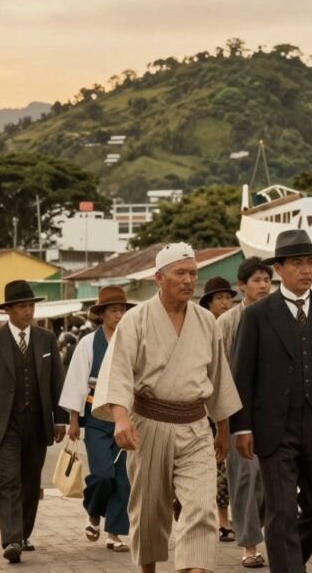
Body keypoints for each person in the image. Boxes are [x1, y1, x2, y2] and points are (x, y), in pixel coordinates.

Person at [92, 243, 242, 573]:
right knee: (148, 512)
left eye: (193, 274)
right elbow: (117, 371)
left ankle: (194, 569)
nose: (189, 280)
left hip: (196, 427)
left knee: (201, 509)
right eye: (181, 273)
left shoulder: (206, 322)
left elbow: (218, 378)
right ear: (159, 277)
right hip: (148, 425)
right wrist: (120, 418)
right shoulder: (136, 320)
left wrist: (224, 430)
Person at [231, 230, 312, 573]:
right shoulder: (257, 315)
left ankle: (288, 561)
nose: (306, 270)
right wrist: (241, 427)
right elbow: (242, 375)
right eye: (297, 263)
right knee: (282, 511)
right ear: (279, 268)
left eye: (310, 263)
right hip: (274, 427)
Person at [0, 280, 69, 564]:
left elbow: (56, 382)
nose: (29, 311)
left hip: (37, 423)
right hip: (3, 423)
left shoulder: (46, 339)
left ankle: (23, 533)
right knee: (10, 477)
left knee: (30, 480)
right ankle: (11, 539)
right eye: (23, 306)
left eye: (31, 305)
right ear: (8, 310)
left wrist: (60, 419)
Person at [59, 285, 134, 552]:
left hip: (126, 417)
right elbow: (77, 382)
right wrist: (74, 420)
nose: (119, 315)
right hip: (96, 419)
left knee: (123, 478)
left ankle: (115, 534)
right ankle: (93, 512)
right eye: (114, 310)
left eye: (123, 310)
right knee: (103, 475)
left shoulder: (134, 340)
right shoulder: (88, 343)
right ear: (102, 314)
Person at [217, 256, 273, 568]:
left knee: (269, 482)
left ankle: (260, 529)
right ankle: (249, 546)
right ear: (242, 286)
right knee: (245, 479)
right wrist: (222, 421)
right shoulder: (226, 323)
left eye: (267, 280)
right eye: (256, 280)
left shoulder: (280, 315)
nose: (263, 285)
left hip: (275, 413)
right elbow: (218, 371)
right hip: (238, 414)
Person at [199, 276, 238, 543]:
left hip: (232, 400)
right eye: (219, 298)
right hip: (205, 404)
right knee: (218, 462)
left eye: (227, 297)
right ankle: (222, 517)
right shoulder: (203, 326)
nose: (225, 302)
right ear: (209, 302)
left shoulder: (236, 321)